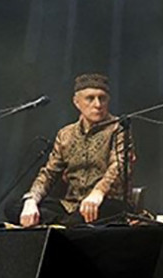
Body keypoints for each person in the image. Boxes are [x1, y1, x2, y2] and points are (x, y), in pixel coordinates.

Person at [11, 73, 131, 227]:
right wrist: (31, 200)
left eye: (102, 98)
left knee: (87, 217)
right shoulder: (65, 134)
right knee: (13, 207)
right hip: (71, 206)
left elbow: (119, 166)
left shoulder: (119, 128)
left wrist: (98, 192)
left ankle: (61, 224)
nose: (98, 104)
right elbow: (49, 173)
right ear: (76, 102)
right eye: (90, 98)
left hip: (106, 202)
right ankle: (64, 224)